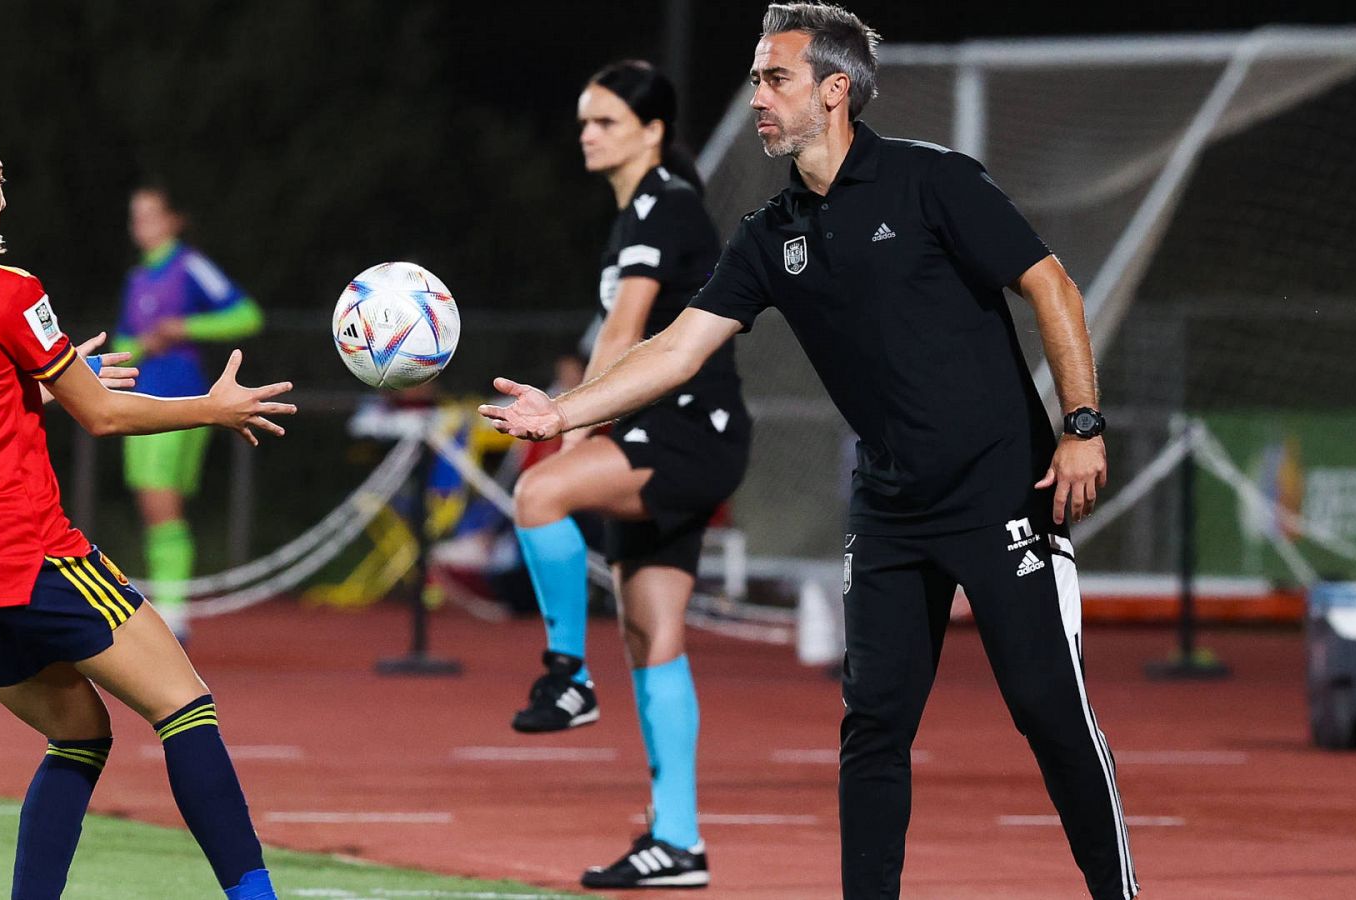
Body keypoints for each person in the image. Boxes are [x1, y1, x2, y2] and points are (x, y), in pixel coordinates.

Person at [481, 5, 1136, 898]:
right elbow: (677, 348)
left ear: (835, 92)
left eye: (774, 77)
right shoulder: (768, 232)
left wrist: (1082, 424)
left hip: (1002, 494)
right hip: (891, 507)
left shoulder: (930, 181)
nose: (757, 95)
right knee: (873, 726)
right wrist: (563, 415)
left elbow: (1050, 285)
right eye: (755, 77)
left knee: (1050, 713)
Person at [0, 99, 292, 900]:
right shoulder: (8, 289)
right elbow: (106, 414)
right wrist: (213, 407)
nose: (3, 198)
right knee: (186, 706)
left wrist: (36, 388)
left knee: (80, 737)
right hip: (23, 554)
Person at [506, 60, 750, 890]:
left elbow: (625, 336)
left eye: (605, 121)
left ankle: (567, 678)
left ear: (652, 131)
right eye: (584, 120)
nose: (588, 132)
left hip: (684, 431)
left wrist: (572, 426)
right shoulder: (641, 212)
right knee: (652, 633)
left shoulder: (663, 205)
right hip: (683, 434)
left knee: (538, 492)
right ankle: (677, 842)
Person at [113, 186, 265, 640]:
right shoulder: (138, 278)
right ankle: (169, 603)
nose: (142, 225)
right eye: (135, 216)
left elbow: (247, 316)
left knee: (162, 505)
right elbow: (123, 345)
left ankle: (174, 611)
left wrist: (184, 327)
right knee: (152, 505)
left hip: (181, 403)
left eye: (151, 216)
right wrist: (145, 344)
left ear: (174, 220)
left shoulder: (190, 266)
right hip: (138, 404)